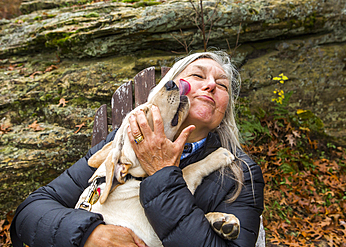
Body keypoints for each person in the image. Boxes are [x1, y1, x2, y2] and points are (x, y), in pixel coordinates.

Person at [10, 51, 264, 247]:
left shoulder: (240, 173)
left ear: (225, 109)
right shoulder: (121, 144)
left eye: (222, 85)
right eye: (198, 76)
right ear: (170, 88)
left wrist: (162, 172)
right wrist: (89, 233)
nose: (210, 85)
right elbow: (30, 213)